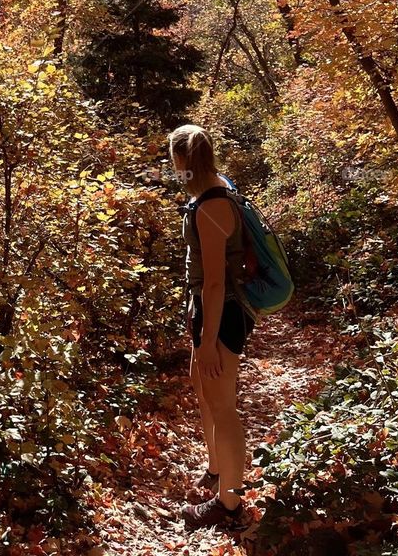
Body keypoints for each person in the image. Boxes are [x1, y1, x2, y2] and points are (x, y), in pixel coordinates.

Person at [168, 123, 254, 535]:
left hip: (222, 312)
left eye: (175, 162)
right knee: (203, 390)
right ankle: (218, 467)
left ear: (182, 159)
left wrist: (207, 342)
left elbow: (217, 282)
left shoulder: (211, 206)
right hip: (206, 308)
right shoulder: (210, 188)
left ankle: (230, 505)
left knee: (223, 406)